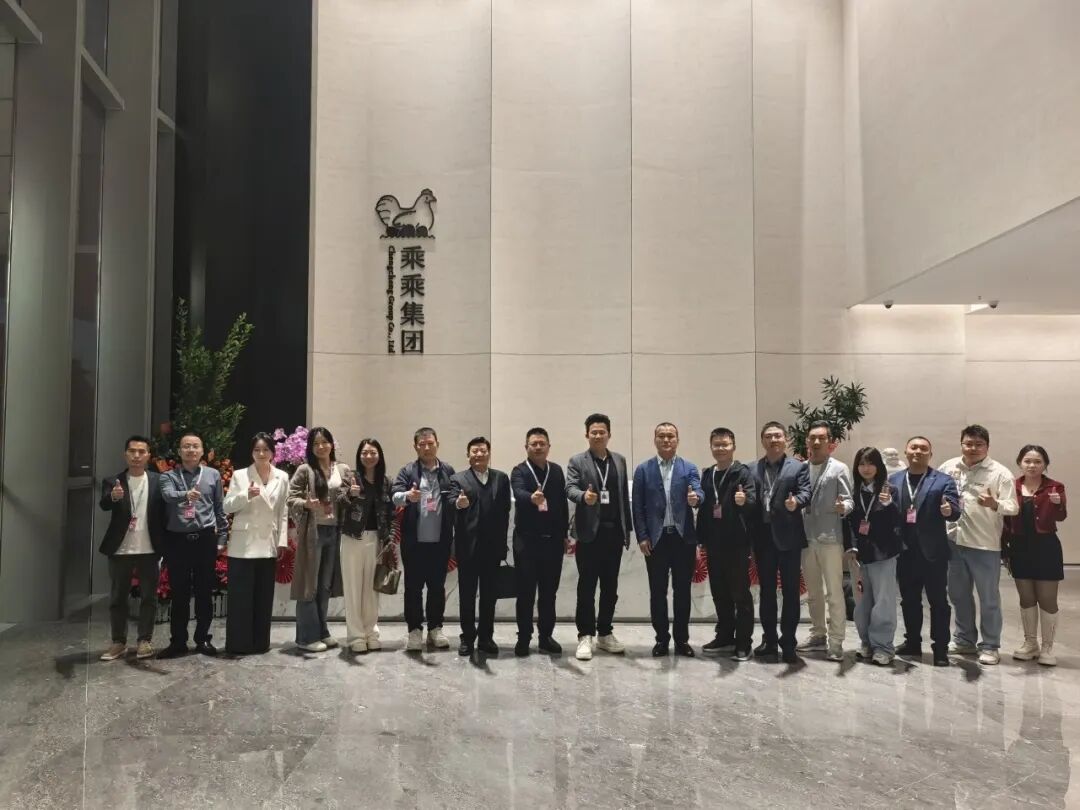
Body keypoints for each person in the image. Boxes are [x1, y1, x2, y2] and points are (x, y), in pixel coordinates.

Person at [940, 425, 1019, 666]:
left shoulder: (1000, 473)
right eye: (968, 443)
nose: (973, 448)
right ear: (961, 444)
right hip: (954, 542)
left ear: (987, 446)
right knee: (958, 595)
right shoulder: (948, 467)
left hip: (984, 545)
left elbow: (1013, 507)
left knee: (988, 598)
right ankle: (964, 639)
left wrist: (995, 504)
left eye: (978, 444)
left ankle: (990, 645)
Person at [631, 422, 703, 657]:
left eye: (670, 436)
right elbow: (638, 507)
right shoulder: (643, 469)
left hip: (683, 540)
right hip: (656, 540)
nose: (666, 440)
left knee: (682, 592)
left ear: (677, 440)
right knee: (657, 592)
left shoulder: (688, 467)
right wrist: (642, 536)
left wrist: (696, 498)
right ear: (655, 440)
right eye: (661, 436)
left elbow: (699, 491)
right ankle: (661, 639)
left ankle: (682, 640)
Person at [566, 413, 632, 661]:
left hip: (613, 533)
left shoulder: (619, 460)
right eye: (593, 432)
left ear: (609, 434)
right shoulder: (577, 460)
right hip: (589, 534)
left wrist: (627, 530)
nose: (597, 435)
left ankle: (605, 633)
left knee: (610, 586)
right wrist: (584, 496)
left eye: (602, 432)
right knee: (587, 586)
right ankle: (585, 635)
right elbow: (570, 488)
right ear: (587, 435)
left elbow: (623, 497)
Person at [891, 436, 961, 667]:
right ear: (906, 451)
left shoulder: (942, 480)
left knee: (938, 602)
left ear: (930, 454)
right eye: (914, 447)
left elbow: (955, 511)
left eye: (923, 448)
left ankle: (940, 649)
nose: (918, 451)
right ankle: (912, 642)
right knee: (909, 601)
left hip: (933, 553)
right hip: (904, 552)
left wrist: (949, 510)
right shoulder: (894, 480)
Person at [158, 432, 229, 658]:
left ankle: (203, 639)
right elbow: (168, 496)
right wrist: (186, 495)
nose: (191, 450)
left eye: (195, 446)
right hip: (177, 541)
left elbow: (219, 507)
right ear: (179, 451)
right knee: (179, 593)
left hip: (204, 539)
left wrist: (223, 537)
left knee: (204, 592)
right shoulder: (168, 476)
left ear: (202, 451)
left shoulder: (213, 475)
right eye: (186, 446)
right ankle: (178, 642)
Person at [98, 435, 166, 661]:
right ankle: (118, 642)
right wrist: (113, 497)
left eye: (141, 452)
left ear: (148, 455)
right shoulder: (113, 481)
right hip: (121, 549)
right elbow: (104, 504)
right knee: (118, 598)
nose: (137, 456)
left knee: (149, 597)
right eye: (132, 451)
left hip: (149, 548)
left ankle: (144, 640)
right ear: (125, 454)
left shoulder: (158, 480)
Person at [222, 432, 290, 655]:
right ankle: (239, 644)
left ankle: (260, 643)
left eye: (266, 449)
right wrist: (245, 495)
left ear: (272, 452)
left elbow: (283, 511)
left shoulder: (282, 476)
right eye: (257, 450)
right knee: (241, 597)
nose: (261, 454)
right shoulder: (240, 475)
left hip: (268, 542)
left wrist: (281, 540)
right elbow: (227, 506)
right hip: (244, 544)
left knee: (263, 595)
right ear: (251, 452)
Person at [696, 428, 758, 661]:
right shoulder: (707, 474)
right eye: (716, 445)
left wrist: (744, 500)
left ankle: (743, 643)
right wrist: (701, 539)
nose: (720, 448)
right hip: (713, 544)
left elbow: (752, 501)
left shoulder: (742, 473)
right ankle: (724, 637)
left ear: (733, 446)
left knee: (740, 595)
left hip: (737, 544)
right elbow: (704, 508)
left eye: (725, 444)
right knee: (719, 593)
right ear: (711, 447)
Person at [752, 421, 811, 664]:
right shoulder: (752, 468)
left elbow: (806, 492)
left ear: (785, 439)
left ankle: (788, 644)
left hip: (789, 538)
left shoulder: (798, 467)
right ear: (762, 441)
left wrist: (796, 502)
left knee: (790, 592)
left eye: (777, 435)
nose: (773, 440)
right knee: (766, 592)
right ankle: (769, 640)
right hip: (763, 538)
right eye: (768, 436)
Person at [392, 427, 456, 652]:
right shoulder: (408, 471)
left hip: (440, 542)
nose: (427, 448)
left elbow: (454, 498)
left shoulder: (447, 471)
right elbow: (395, 496)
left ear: (437, 444)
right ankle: (414, 631)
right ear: (415, 446)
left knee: (437, 588)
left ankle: (435, 629)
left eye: (430, 443)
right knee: (413, 588)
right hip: (414, 542)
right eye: (422, 444)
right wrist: (407, 496)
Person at [288, 427, 350, 653]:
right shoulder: (305, 470)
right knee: (310, 585)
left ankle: (322, 630)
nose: (321, 447)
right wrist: (305, 504)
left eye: (325, 442)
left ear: (332, 444)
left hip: (334, 532)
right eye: (316, 443)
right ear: (310, 448)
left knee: (325, 585)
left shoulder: (342, 469)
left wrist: (351, 493)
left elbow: (348, 498)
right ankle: (306, 637)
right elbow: (290, 497)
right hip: (313, 533)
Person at [1003, 445, 1067, 666]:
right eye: (1027, 461)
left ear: (1045, 464)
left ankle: (1047, 647)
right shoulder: (1012, 486)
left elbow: (1061, 516)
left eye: (1037, 461)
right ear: (1020, 463)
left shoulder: (1055, 486)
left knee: (1047, 598)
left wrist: (1058, 504)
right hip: (1019, 547)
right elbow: (1004, 520)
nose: (1032, 465)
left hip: (1046, 547)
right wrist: (1004, 549)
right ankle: (1030, 643)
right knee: (1026, 598)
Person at [510, 428, 571, 657]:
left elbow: (562, 505)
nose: (538, 447)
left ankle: (546, 637)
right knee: (525, 593)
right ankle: (524, 637)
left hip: (552, 542)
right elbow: (518, 492)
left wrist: (564, 535)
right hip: (526, 542)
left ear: (548, 447)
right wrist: (531, 498)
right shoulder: (519, 470)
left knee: (549, 593)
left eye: (542, 443)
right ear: (526, 447)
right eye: (533, 444)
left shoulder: (556, 471)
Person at [449, 437, 511, 657]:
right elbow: (450, 501)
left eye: (483, 450)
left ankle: (486, 638)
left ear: (489, 453)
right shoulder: (458, 479)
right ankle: (467, 638)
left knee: (489, 596)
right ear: (468, 455)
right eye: (474, 451)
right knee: (467, 595)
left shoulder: (501, 478)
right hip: (468, 548)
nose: (479, 454)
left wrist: (503, 544)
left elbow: (505, 512)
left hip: (492, 548)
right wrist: (458, 503)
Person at [798, 421, 854, 661]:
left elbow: (849, 500)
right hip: (805, 538)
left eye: (821, 438)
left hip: (830, 538)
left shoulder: (839, 468)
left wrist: (844, 507)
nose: (816, 442)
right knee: (813, 593)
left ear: (830, 442)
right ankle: (818, 634)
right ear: (807, 441)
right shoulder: (800, 468)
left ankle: (837, 641)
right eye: (812, 438)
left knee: (834, 592)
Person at [845, 447, 902, 666]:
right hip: (860, 554)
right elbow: (849, 523)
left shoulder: (890, 490)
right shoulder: (854, 492)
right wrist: (851, 546)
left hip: (883, 554)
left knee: (883, 601)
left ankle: (884, 647)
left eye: (870, 463)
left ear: (879, 466)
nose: (866, 468)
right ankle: (866, 642)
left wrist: (889, 505)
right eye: (861, 464)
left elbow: (900, 522)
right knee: (862, 602)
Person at [340, 438, 394, 654]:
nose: (369, 456)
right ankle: (355, 636)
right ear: (359, 456)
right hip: (352, 538)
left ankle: (371, 633)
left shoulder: (385, 482)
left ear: (379, 456)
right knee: (353, 589)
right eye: (365, 453)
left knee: (372, 590)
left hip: (376, 539)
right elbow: (338, 501)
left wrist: (389, 538)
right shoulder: (350, 477)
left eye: (373, 452)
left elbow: (390, 513)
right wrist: (350, 495)